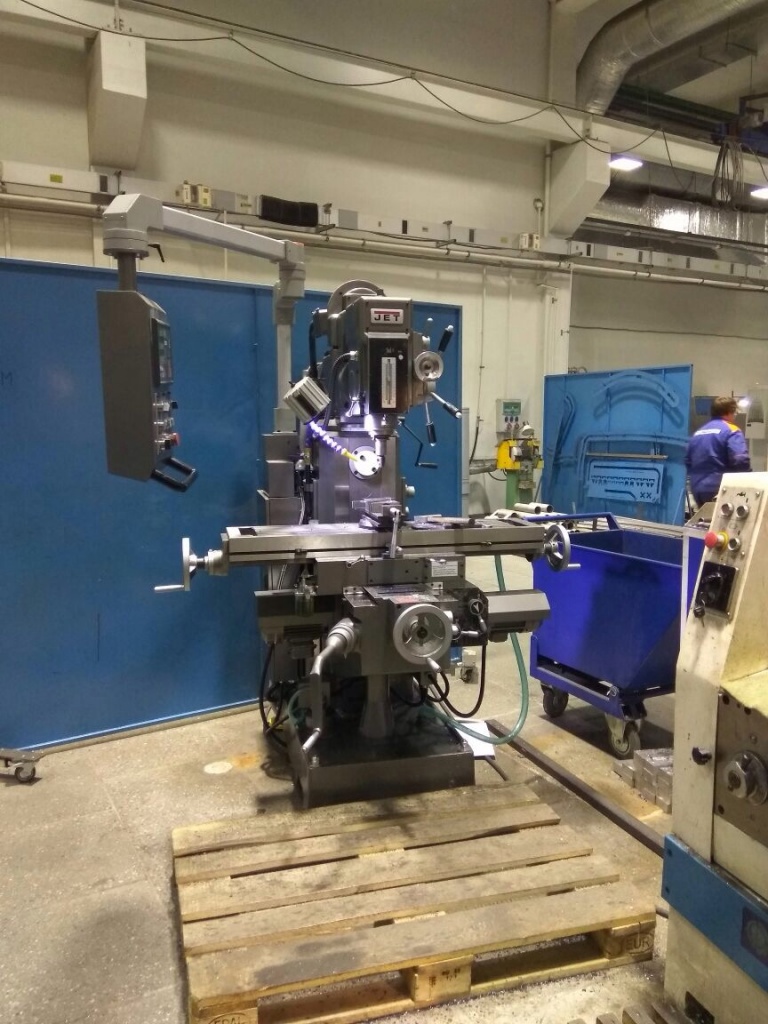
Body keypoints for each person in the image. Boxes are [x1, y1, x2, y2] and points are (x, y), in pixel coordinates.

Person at [685, 395, 751, 506]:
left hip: (697, 489)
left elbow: (688, 461)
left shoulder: (698, 433)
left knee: (705, 517)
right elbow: (740, 459)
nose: (735, 415)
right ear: (729, 412)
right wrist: (748, 481)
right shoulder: (732, 430)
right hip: (721, 489)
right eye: (734, 412)